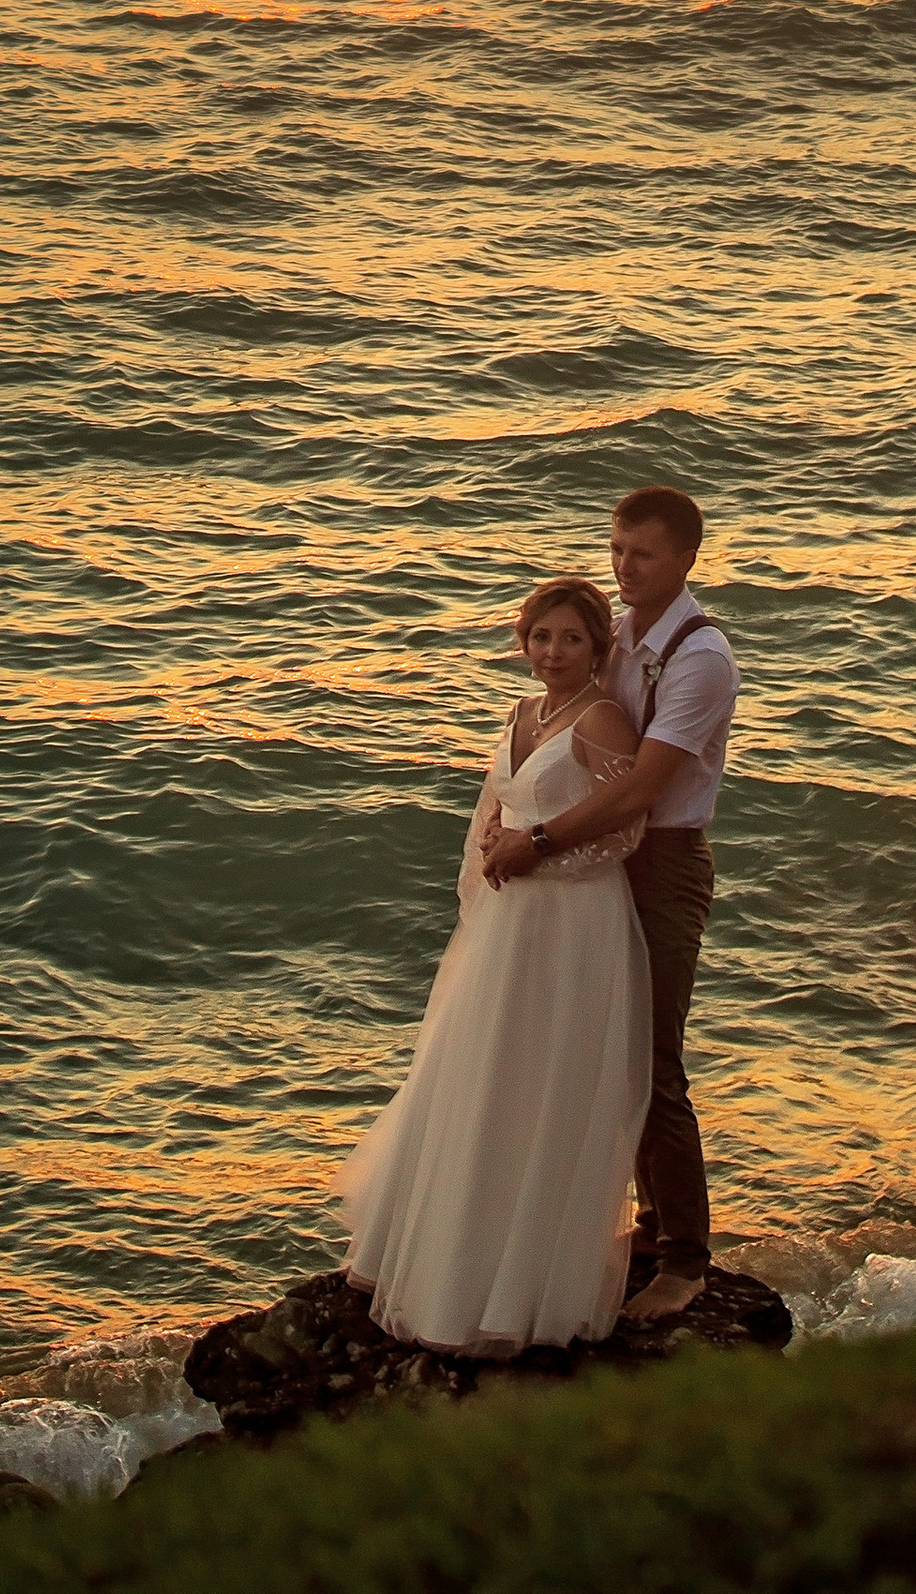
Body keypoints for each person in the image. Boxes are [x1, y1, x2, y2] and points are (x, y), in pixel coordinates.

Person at [337, 578, 651, 1353]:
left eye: (571, 639)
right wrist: (493, 851)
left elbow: (625, 830)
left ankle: (519, 1285)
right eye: (542, 638)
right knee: (482, 1075)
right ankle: (449, 1257)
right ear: (523, 642)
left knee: (543, 1082)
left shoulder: (603, 717)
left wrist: (537, 854)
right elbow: (495, 809)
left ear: (596, 647)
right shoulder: (521, 713)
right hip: (513, 918)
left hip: (572, 921)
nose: (553, 653)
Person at [484, 485, 737, 1322]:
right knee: (611, 1049)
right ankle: (651, 1223)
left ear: (687, 559)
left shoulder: (701, 658)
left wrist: (541, 841)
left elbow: (642, 791)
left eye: (645, 554)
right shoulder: (620, 634)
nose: (626, 568)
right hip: (595, 861)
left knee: (656, 1060)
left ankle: (686, 1261)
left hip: (659, 863)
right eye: (619, 549)